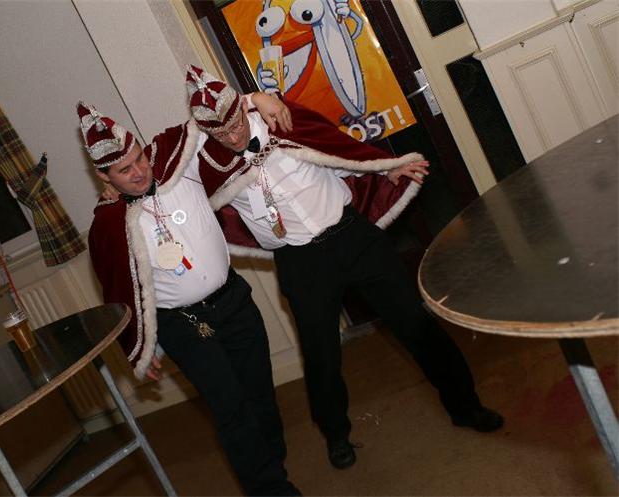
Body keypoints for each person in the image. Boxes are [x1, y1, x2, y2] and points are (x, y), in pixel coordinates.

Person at [183, 66, 504, 470]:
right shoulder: (206, 161)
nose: (232, 138)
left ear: (241, 111)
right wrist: (251, 98)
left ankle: (466, 405)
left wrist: (384, 167)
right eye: (221, 134)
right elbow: (164, 152)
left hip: (352, 237)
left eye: (235, 125)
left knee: (415, 323)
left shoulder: (283, 118)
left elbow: (336, 153)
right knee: (321, 354)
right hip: (301, 261)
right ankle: (336, 434)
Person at [78, 98, 300, 496]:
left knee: (260, 395)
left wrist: (254, 99)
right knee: (230, 408)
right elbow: (119, 289)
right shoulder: (109, 225)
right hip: (184, 325)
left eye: (139, 158)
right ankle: (271, 490)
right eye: (124, 170)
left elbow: (211, 114)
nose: (139, 171)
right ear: (103, 176)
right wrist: (142, 346)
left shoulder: (179, 168)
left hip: (235, 301)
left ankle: (272, 464)